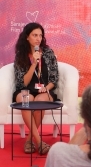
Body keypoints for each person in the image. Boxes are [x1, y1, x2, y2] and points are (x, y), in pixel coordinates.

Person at [13, 22, 59, 154]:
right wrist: (33, 64)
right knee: (25, 101)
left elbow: (54, 79)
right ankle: (39, 142)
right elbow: (22, 83)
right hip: (25, 90)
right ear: (27, 37)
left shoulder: (49, 53)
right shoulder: (20, 55)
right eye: (34, 35)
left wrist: (47, 88)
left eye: (40, 35)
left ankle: (29, 140)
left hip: (44, 89)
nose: (38, 38)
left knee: (39, 103)